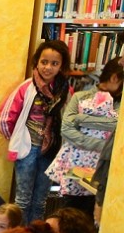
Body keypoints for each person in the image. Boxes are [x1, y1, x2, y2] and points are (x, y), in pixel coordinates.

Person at [0, 39, 72, 224]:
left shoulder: (64, 91)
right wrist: (16, 139)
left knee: (40, 201)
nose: (48, 67)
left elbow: (69, 119)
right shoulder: (27, 88)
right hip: (28, 148)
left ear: (61, 66)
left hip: (51, 150)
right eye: (44, 62)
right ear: (36, 62)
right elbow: (6, 117)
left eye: (54, 63)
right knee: (23, 199)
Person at [45, 58, 122, 215]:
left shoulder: (120, 105)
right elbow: (66, 130)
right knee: (68, 216)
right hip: (74, 172)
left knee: (93, 220)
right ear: (114, 77)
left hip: (103, 174)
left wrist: (81, 119)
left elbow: (118, 128)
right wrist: (104, 145)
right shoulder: (80, 97)